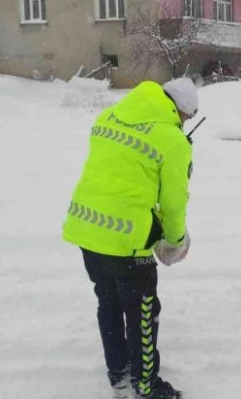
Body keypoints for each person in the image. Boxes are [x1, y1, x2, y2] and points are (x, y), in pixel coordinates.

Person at [62, 77, 199, 399]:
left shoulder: (107, 117)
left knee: (108, 302)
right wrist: (175, 239)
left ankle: (118, 370)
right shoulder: (173, 141)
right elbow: (173, 202)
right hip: (127, 241)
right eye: (187, 118)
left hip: (87, 229)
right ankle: (146, 384)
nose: (185, 124)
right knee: (142, 312)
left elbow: (121, 174)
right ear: (181, 111)